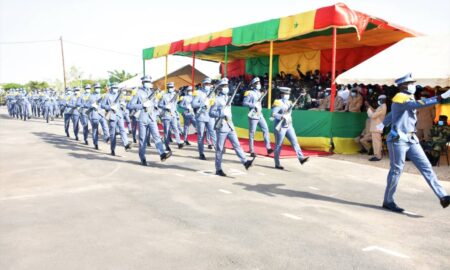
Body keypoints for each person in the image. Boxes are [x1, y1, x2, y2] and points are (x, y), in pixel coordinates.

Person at [379, 73, 450, 212]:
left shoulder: (406, 98)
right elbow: (416, 105)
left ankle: (443, 196)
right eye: (411, 83)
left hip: (411, 139)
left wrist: (383, 123)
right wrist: (441, 97)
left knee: (426, 167)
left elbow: (393, 114)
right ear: (403, 86)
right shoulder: (400, 98)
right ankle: (388, 200)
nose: (413, 86)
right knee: (396, 170)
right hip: (398, 140)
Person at [209, 78, 254, 176]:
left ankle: (245, 162)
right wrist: (221, 112)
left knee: (237, 145)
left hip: (230, 125)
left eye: (226, 86)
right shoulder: (216, 99)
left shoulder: (228, 97)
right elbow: (211, 113)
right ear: (220, 88)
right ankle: (218, 168)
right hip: (221, 127)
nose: (226, 87)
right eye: (224, 86)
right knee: (220, 149)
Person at [127, 76, 171, 165]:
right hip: (142, 118)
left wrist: (157, 113)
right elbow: (129, 105)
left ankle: (162, 154)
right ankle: (142, 158)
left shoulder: (152, 93)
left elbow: (155, 105)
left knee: (157, 136)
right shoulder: (138, 93)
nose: (148, 83)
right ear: (143, 83)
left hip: (152, 118)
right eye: (146, 81)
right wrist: (142, 105)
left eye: (149, 82)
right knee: (142, 139)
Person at [271, 87, 309, 170]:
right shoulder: (278, 102)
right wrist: (281, 116)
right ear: (282, 94)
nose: (287, 95)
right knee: (278, 145)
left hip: (289, 126)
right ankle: (277, 163)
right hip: (280, 127)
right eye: (286, 94)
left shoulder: (290, 102)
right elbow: (273, 114)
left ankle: (301, 158)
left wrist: (301, 97)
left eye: (288, 94)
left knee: (295, 142)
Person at [242, 77, 273, 157]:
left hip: (260, 114)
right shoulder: (249, 93)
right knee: (252, 133)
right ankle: (252, 150)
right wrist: (252, 105)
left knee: (266, 129)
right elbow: (244, 103)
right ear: (253, 85)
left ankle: (268, 147)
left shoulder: (260, 93)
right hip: (253, 115)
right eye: (257, 83)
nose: (259, 84)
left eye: (259, 83)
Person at [101, 83, 132, 156]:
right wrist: (110, 107)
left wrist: (123, 105)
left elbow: (123, 103)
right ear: (111, 88)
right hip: (112, 116)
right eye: (114, 87)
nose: (115, 89)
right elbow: (102, 105)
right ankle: (112, 149)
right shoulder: (107, 96)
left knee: (122, 130)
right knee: (112, 134)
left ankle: (126, 144)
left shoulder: (120, 95)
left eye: (116, 88)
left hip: (119, 115)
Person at [192, 78, 217, 160]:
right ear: (203, 85)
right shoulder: (198, 93)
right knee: (201, 135)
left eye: (209, 84)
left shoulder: (212, 93)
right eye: (206, 84)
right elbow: (193, 104)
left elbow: (214, 104)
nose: (208, 86)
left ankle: (218, 151)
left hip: (210, 116)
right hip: (201, 116)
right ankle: (201, 153)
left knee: (213, 133)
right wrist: (202, 103)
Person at [158, 82, 184, 151]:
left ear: (173, 88)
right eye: (169, 87)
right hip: (166, 115)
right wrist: (165, 106)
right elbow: (159, 104)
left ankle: (179, 143)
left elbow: (175, 105)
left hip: (173, 115)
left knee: (175, 128)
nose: (171, 88)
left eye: (172, 87)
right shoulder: (164, 96)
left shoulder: (175, 95)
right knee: (167, 131)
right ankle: (167, 145)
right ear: (168, 88)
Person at [87, 83, 110, 150]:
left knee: (105, 126)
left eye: (99, 87)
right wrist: (92, 105)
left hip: (101, 114)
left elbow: (105, 102)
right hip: (94, 114)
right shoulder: (91, 96)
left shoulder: (102, 95)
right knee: (95, 130)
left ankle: (107, 138)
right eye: (97, 88)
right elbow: (87, 105)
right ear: (94, 88)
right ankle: (95, 143)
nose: (98, 89)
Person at [366, 95, 387, 161]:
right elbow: (375, 111)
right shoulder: (381, 106)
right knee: (376, 142)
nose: (378, 101)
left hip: (376, 127)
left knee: (377, 142)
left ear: (382, 100)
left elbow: (373, 116)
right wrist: (370, 107)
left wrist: (368, 110)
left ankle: (378, 156)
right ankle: (377, 155)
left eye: (379, 100)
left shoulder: (382, 107)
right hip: (376, 127)